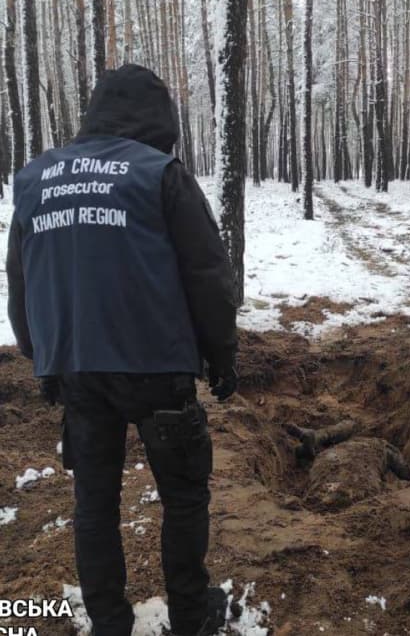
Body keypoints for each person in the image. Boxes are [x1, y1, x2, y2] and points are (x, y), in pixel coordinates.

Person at [7, 64, 239, 636]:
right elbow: (207, 274)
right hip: (157, 366)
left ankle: (110, 620)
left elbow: (20, 278)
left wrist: (42, 356)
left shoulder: (37, 178)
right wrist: (222, 355)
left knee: (95, 500)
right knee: (184, 495)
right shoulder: (160, 175)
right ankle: (190, 615)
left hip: (80, 367)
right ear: (160, 119)